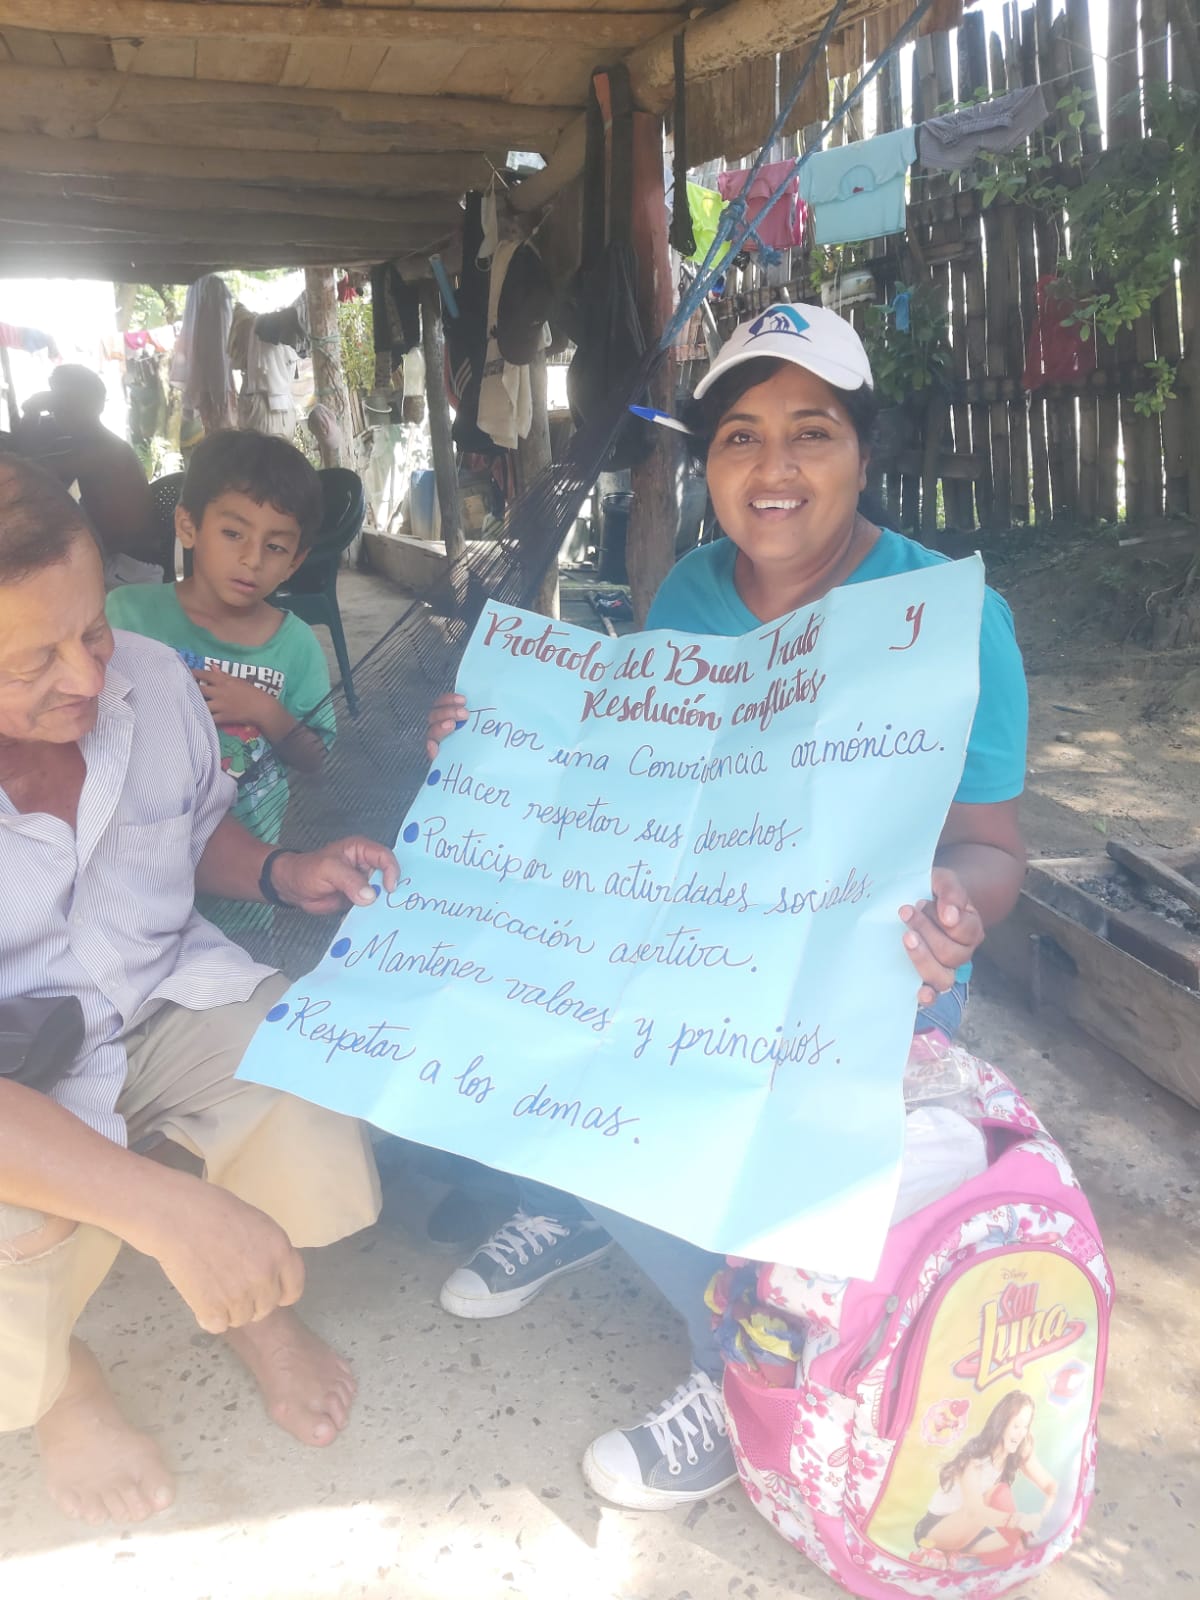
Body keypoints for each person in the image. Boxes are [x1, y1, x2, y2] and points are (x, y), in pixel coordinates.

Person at [423, 303, 1028, 1509]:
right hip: (707, 938)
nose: (774, 465)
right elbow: (643, 792)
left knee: (761, 1117)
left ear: (864, 450)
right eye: (741, 435)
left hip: (877, 971)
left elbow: (991, 849)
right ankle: (596, 1210)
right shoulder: (694, 591)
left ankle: (738, 1367)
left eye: (812, 430)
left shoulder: (952, 617)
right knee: (535, 1022)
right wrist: (503, 748)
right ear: (707, 463)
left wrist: (958, 903)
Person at [0, 453, 398, 1526]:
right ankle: (60, 1384)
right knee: (13, 1234)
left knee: (299, 1059)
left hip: (156, 986)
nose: (89, 680)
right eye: (32, 662)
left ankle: (251, 1309)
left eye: (90, 631)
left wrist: (283, 872)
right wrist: (165, 1210)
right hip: (13, 1073)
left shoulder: (152, 674)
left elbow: (185, 827)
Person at [106, 431, 335, 944]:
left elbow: (315, 758)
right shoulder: (127, 616)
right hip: (134, 878)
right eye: (234, 533)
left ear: (296, 560)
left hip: (244, 892)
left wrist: (264, 710)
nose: (253, 559)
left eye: (275, 546)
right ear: (188, 525)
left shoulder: (296, 647)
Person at [18, 365, 158, 572]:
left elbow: (27, 474)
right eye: (56, 403)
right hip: (117, 553)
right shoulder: (86, 442)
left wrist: (31, 414)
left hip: (131, 563)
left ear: (91, 406)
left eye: (65, 402)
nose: (58, 410)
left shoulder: (101, 450)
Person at [914, 1392, 1056, 1557]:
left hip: (972, 1533)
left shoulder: (1019, 1448)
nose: (1021, 1433)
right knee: (998, 1493)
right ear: (1002, 1424)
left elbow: (1051, 1486)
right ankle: (940, 1551)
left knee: (1021, 1546)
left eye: (1025, 1426)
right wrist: (1017, 1521)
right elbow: (973, 1511)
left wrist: (1045, 1517)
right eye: (1016, 1426)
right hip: (937, 1528)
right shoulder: (973, 1460)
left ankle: (951, 1554)